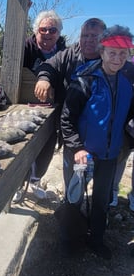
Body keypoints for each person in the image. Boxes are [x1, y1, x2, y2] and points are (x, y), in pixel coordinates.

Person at [60, 25, 134, 260]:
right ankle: (71, 240)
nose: (118, 58)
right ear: (101, 52)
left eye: (123, 54)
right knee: (74, 197)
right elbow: (67, 117)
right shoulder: (85, 79)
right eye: (112, 52)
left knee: (101, 201)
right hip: (82, 154)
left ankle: (96, 240)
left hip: (110, 155)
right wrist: (77, 147)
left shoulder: (127, 84)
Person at [34, 18, 107, 192]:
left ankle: (96, 206)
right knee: (72, 174)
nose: (89, 40)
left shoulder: (110, 57)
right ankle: (72, 204)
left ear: (104, 38)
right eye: (85, 35)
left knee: (99, 176)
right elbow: (50, 65)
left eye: (94, 36)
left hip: (100, 130)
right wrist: (44, 79)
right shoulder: (70, 53)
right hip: (72, 126)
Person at [14, 10, 66, 201]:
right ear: (36, 31)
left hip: (52, 110)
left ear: (58, 33)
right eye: (42, 29)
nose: (47, 33)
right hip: (24, 108)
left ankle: (34, 181)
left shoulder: (63, 51)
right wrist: (22, 13)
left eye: (52, 30)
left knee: (46, 148)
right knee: (20, 148)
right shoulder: (26, 47)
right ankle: (18, 185)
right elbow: (8, 47)